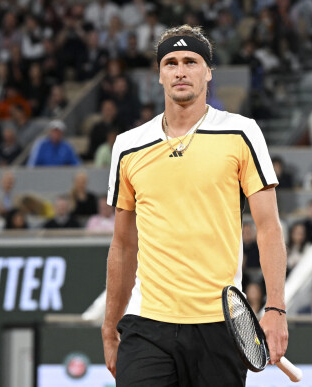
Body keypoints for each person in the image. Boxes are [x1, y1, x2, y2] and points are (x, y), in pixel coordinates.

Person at [102, 25, 288, 386]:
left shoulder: (242, 132)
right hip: (147, 324)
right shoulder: (128, 145)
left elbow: (268, 228)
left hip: (220, 324)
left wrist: (276, 309)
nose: (181, 70)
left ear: (208, 73)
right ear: (159, 75)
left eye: (191, 61)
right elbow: (123, 245)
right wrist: (110, 327)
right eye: (171, 62)